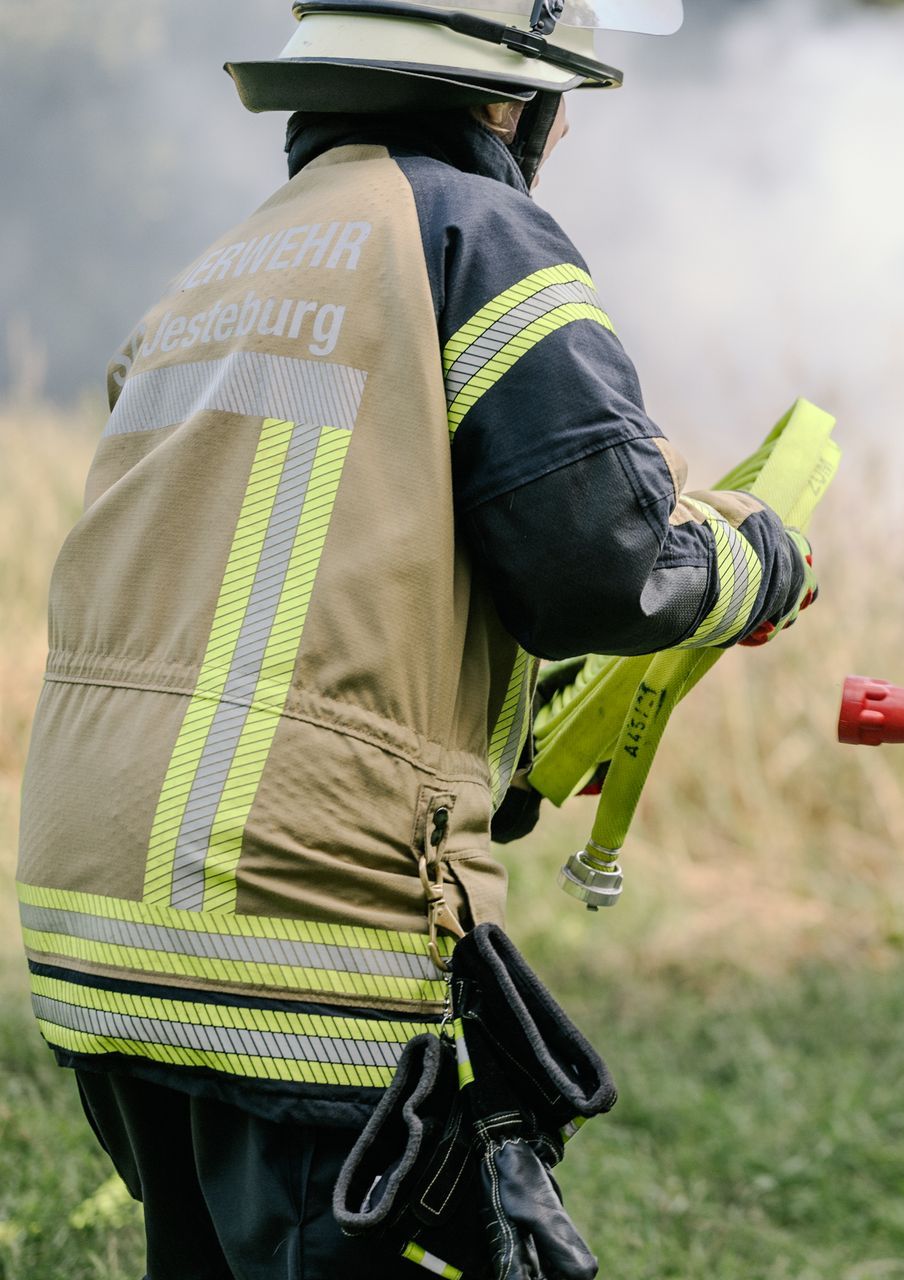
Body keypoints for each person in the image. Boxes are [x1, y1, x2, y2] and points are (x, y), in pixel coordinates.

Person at [14, 2, 816, 1275]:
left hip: (98, 921)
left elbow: (314, 589)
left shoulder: (222, 269)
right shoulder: (476, 232)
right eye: (557, 105)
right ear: (506, 100)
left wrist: (505, 738)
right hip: (296, 939)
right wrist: (755, 559)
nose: (559, 135)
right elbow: (602, 561)